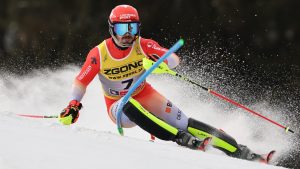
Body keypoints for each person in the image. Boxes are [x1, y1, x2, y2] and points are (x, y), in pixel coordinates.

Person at [59, 4, 267, 162]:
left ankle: (240, 150)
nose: (128, 35)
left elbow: (173, 59)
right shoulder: (99, 53)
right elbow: (80, 82)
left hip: (144, 93)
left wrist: (159, 62)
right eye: (122, 29)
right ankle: (180, 138)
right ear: (112, 29)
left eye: (132, 28)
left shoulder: (143, 45)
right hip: (118, 105)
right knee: (129, 104)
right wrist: (73, 105)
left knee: (184, 122)